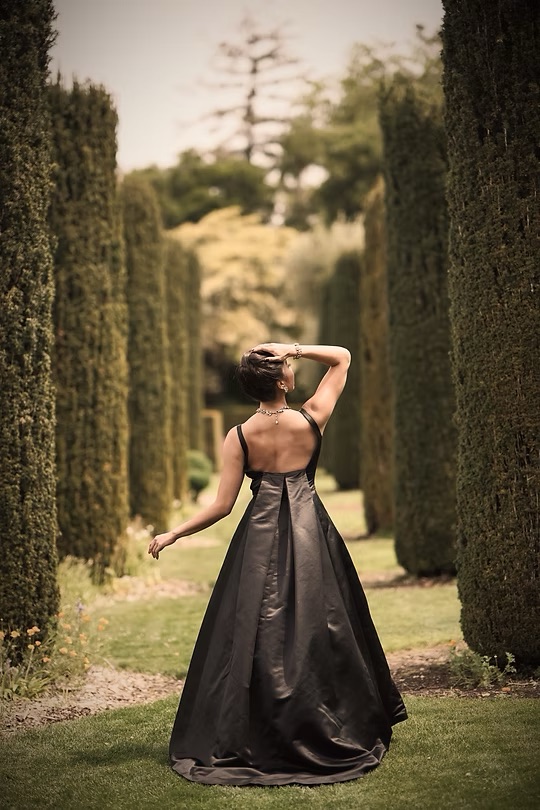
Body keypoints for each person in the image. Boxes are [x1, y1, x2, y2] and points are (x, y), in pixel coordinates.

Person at [148, 342, 407, 787]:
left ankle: (254, 729)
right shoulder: (311, 418)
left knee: (252, 631)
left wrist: (175, 532)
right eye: (287, 369)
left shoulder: (240, 435)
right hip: (311, 534)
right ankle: (326, 721)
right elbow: (343, 357)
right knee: (320, 626)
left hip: (259, 538)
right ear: (283, 380)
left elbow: (223, 506)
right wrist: (298, 349)